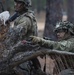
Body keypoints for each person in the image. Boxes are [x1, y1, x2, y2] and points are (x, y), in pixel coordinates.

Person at [3, 0, 45, 75]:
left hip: (24, 53)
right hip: (23, 51)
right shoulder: (22, 15)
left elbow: (13, 35)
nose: (16, 5)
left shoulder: (26, 19)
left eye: (19, 3)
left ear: (25, 5)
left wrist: (4, 30)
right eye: (15, 2)